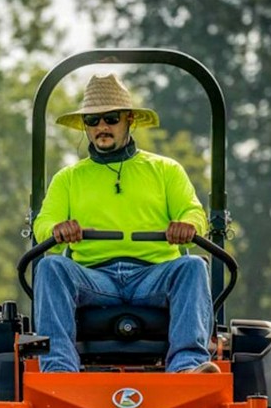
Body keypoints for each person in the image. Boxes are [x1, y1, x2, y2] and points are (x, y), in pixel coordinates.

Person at [32, 73, 218, 374]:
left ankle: (187, 368)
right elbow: (44, 224)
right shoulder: (68, 178)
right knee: (51, 267)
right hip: (95, 279)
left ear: (129, 119)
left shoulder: (165, 170)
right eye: (93, 120)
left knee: (193, 266)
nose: (102, 127)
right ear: (85, 126)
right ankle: (59, 370)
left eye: (111, 118)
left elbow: (194, 213)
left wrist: (187, 225)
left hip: (153, 276)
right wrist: (57, 230)